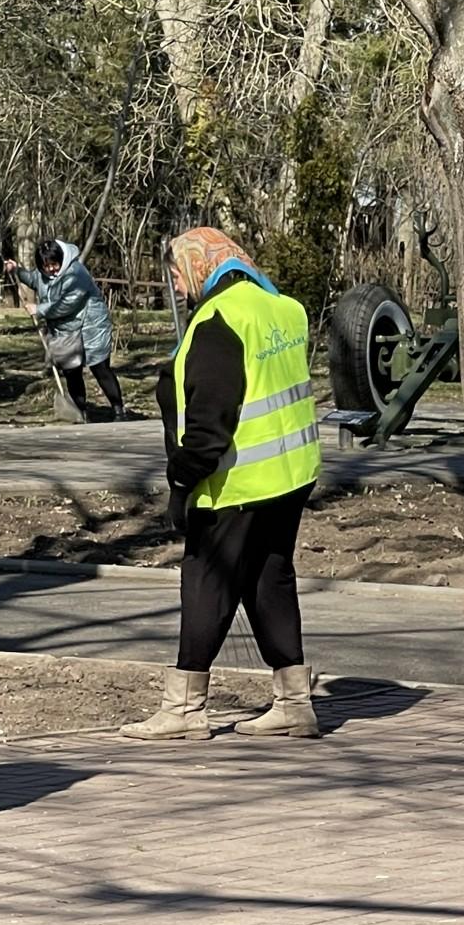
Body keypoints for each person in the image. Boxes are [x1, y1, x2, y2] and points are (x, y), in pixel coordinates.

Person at [122, 227, 323, 742]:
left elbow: (210, 425)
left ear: (199, 263)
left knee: (205, 586)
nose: (175, 281)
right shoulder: (284, 309)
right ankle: (296, 701)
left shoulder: (217, 322)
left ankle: (185, 708)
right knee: (268, 581)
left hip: (234, 483)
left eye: (175, 270)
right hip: (291, 477)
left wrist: (181, 477)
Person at [4, 239, 127, 420]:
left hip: (91, 323)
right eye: (46, 266)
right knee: (71, 369)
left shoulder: (76, 273)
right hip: (65, 328)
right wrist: (17, 271)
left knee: (99, 366)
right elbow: (33, 279)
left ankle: (118, 410)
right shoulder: (42, 273)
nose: (51, 269)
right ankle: (80, 412)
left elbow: (68, 303)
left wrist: (39, 309)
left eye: (54, 264)